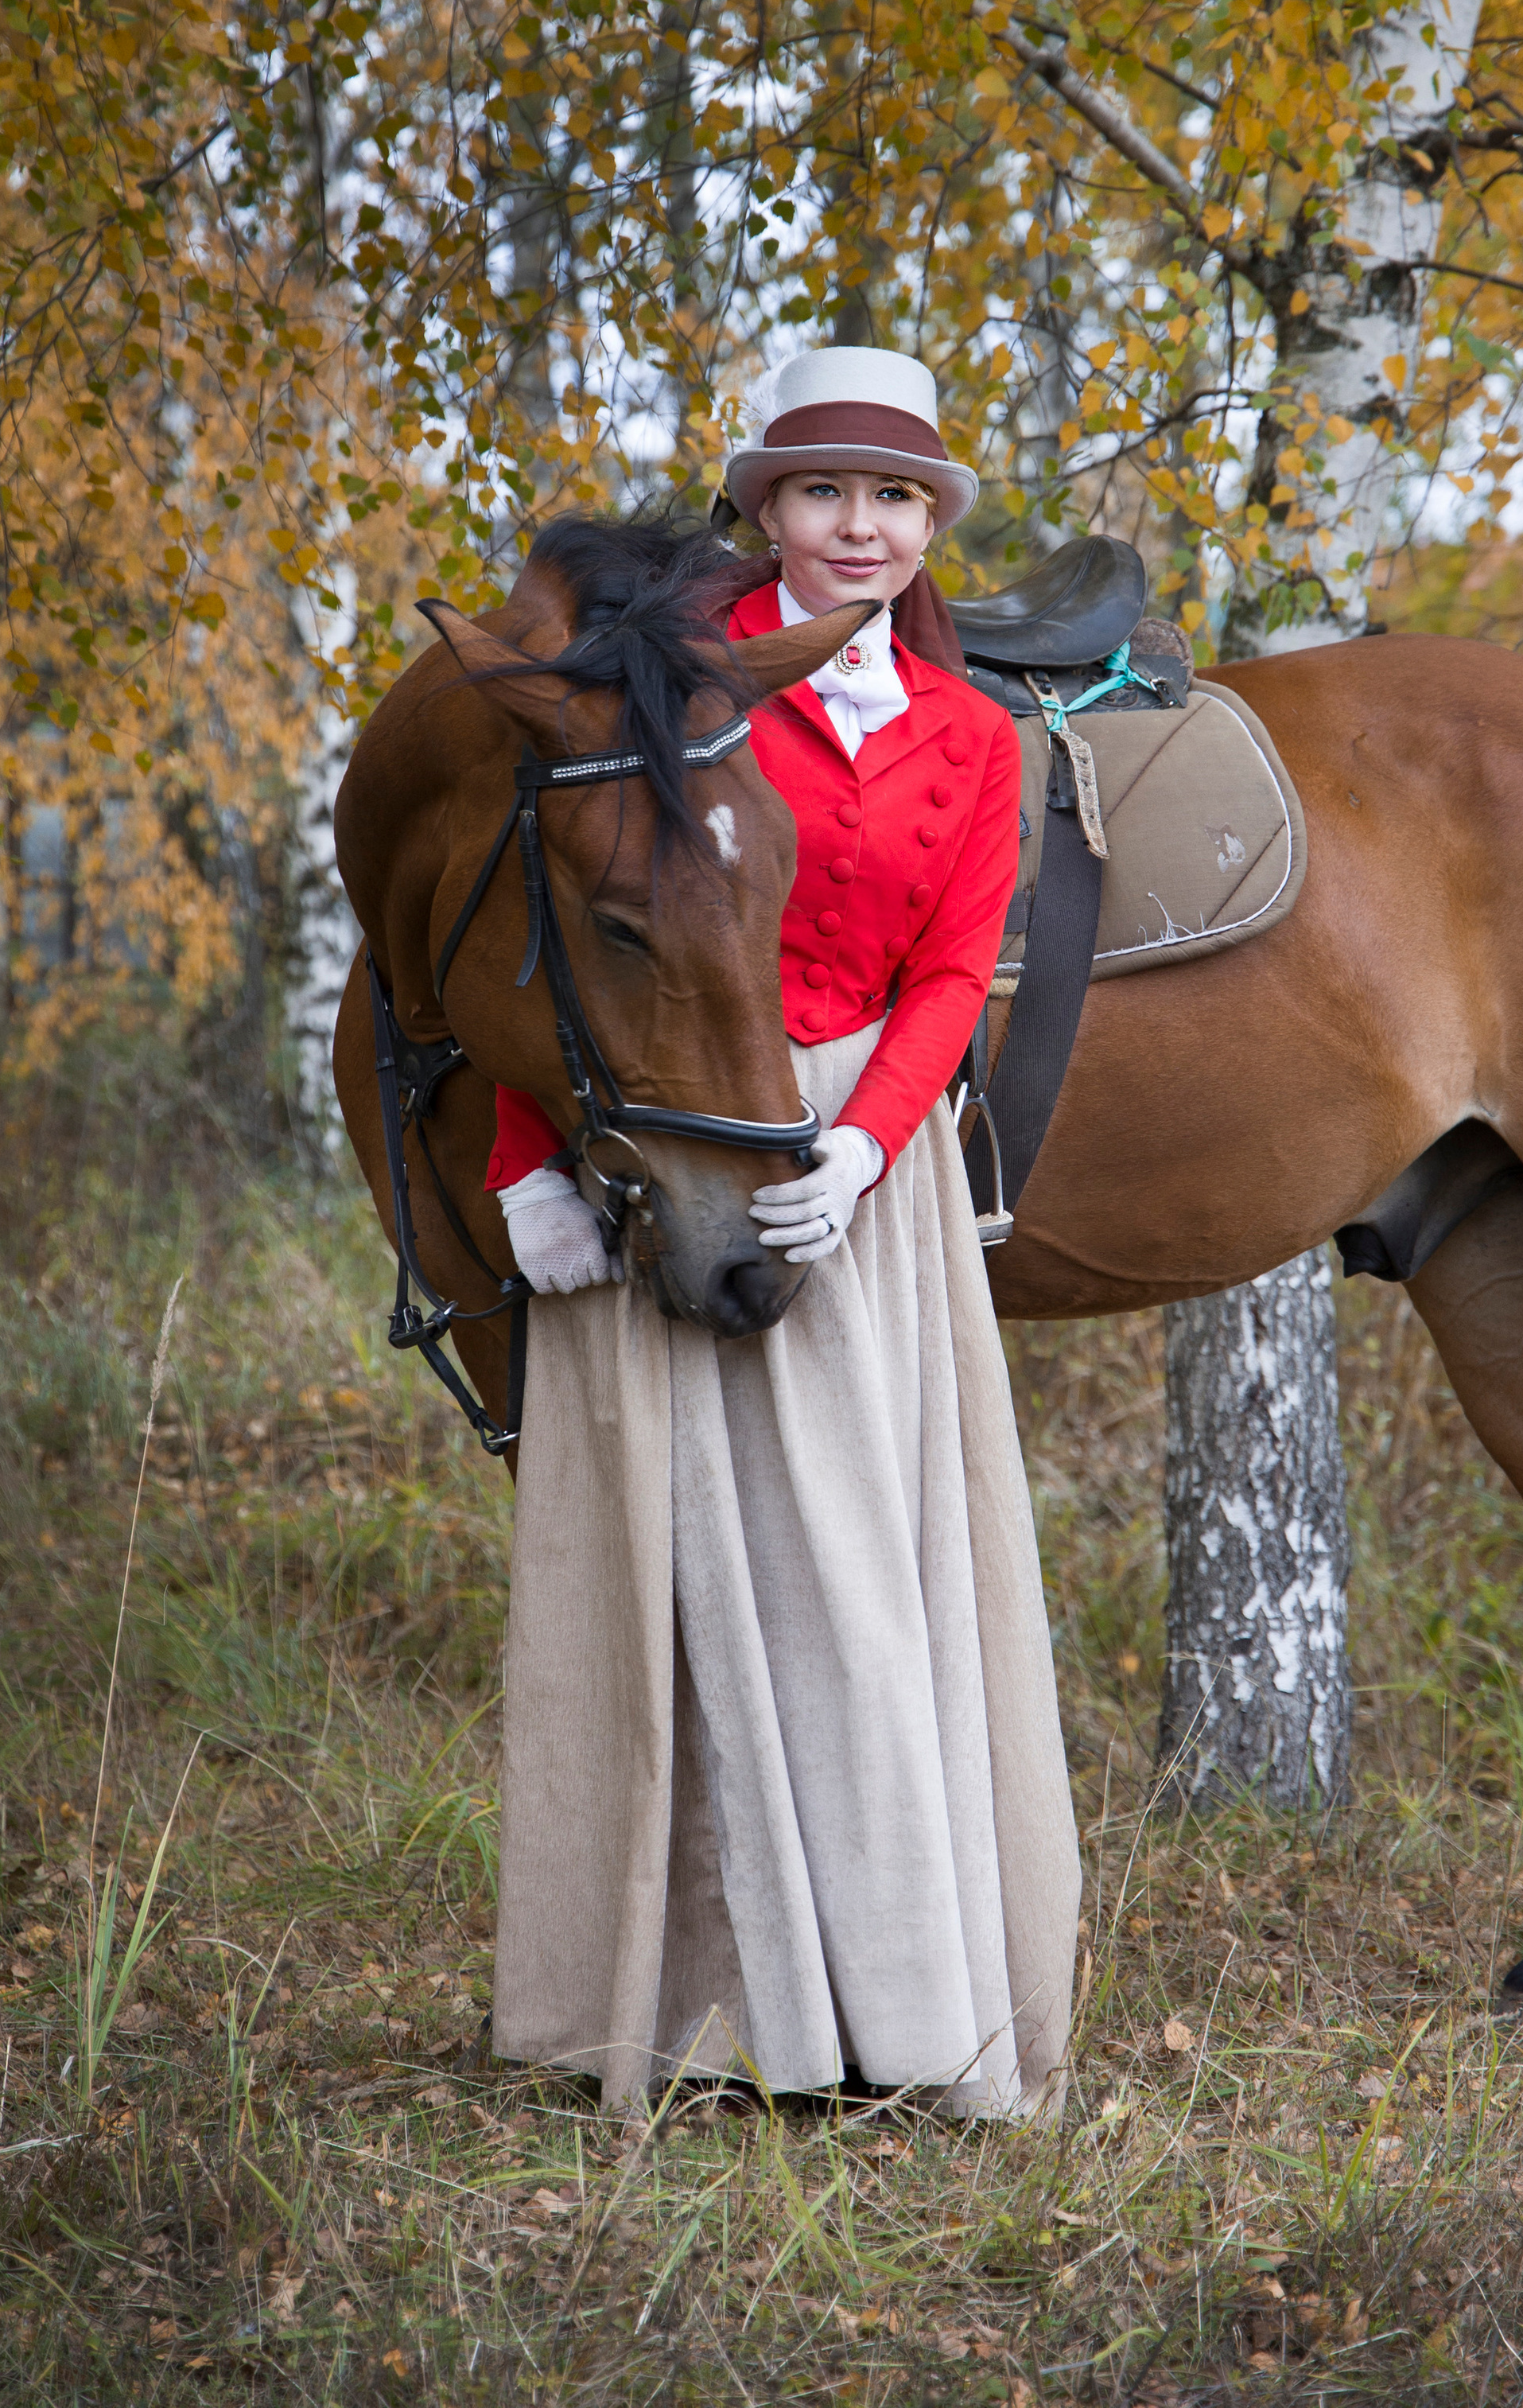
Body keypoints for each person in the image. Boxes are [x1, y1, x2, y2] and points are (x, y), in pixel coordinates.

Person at [482, 348, 1082, 2117]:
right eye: (823, 491)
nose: (859, 527)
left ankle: (896, 2008)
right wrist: (524, 1161)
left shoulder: (969, 735)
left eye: (894, 497)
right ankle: (704, 2013)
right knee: (680, 1589)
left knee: (864, 1594)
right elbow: (556, 935)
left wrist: (873, 1143)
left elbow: (953, 968)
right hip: (668, 1138)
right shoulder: (661, 680)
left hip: (857, 1182)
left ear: (928, 527)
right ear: (762, 508)